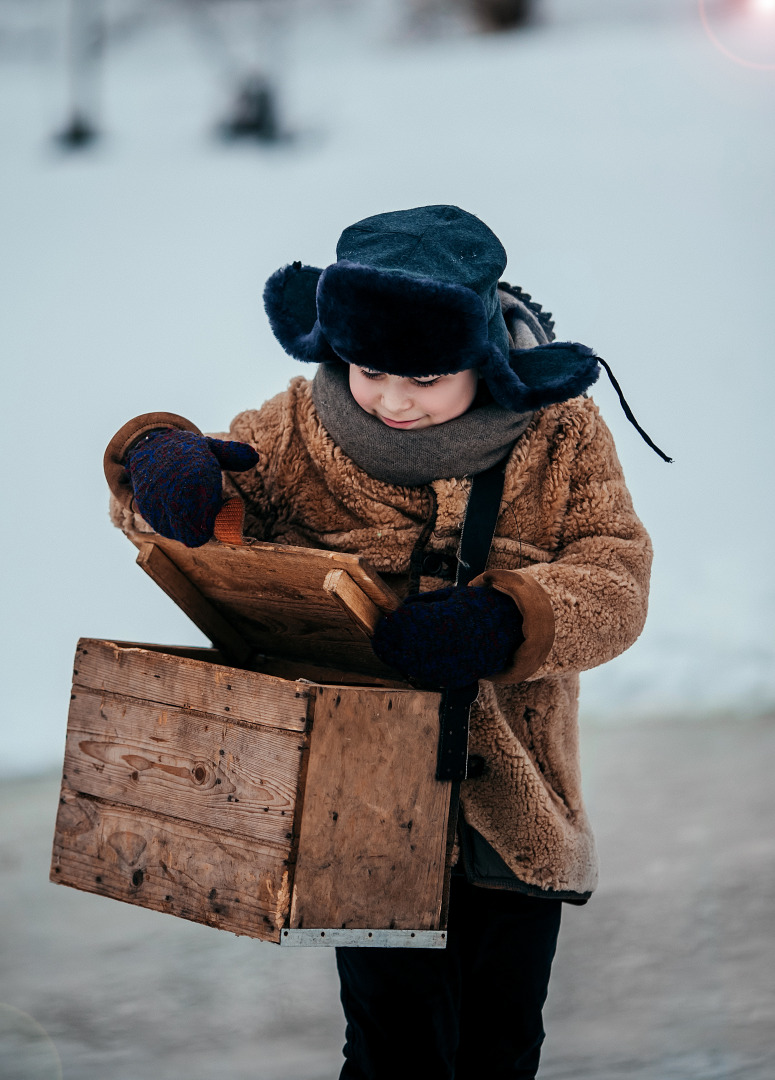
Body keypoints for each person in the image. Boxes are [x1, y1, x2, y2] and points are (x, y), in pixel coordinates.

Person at [108, 205, 658, 1079]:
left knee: (500, 1045)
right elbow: (188, 494)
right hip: (354, 806)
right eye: (369, 372)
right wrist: (156, 462)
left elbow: (616, 577)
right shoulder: (297, 427)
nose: (393, 400)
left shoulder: (561, 435)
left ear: (481, 350)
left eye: (427, 377)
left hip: (510, 817)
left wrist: (509, 617)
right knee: (393, 1050)